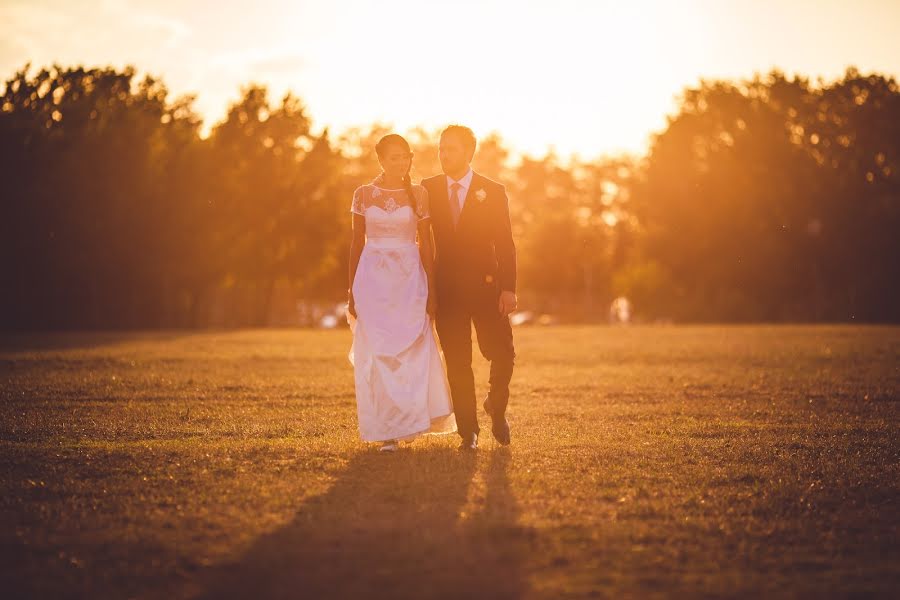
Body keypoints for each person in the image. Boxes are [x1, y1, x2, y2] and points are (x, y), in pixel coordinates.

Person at [347, 134, 456, 452]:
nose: (401, 162)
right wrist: (351, 288)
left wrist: (432, 289)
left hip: (409, 279)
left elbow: (427, 244)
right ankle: (387, 432)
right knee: (380, 352)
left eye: (405, 157)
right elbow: (356, 242)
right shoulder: (363, 194)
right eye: (393, 157)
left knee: (411, 350)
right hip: (373, 279)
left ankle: (411, 420)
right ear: (380, 159)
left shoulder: (419, 195)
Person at [420, 125, 518, 451]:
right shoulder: (428, 189)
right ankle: (469, 432)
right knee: (458, 363)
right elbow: (418, 239)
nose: (444, 155)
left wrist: (509, 288)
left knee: (502, 352)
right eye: (441, 149)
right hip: (447, 291)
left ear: (468, 152)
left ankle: (496, 406)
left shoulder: (492, 190)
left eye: (451, 149)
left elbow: (505, 242)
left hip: (487, 288)